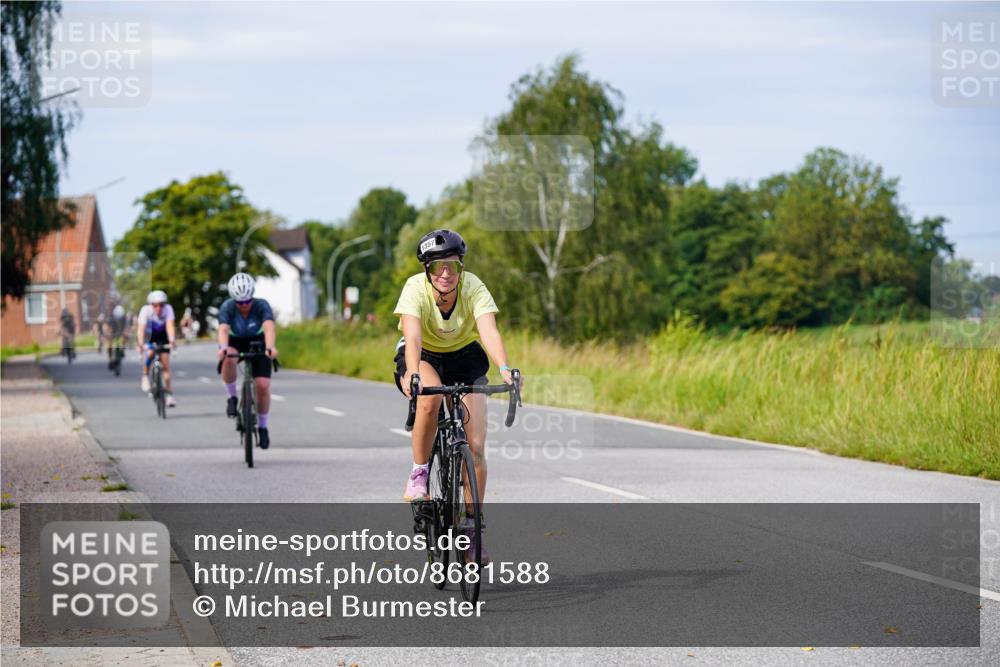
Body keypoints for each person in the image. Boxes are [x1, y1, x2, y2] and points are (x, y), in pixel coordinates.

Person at [393, 229, 520, 564]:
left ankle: (472, 528)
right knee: (430, 398)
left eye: (453, 265)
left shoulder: (473, 286)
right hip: (424, 356)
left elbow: (488, 330)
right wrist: (413, 374)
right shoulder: (414, 289)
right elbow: (413, 337)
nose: (446, 273)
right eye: (438, 267)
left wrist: (505, 368)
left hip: (464, 357)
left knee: (475, 446)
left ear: (461, 266)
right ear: (427, 270)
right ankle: (420, 472)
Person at [217, 272, 278, 449]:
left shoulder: (261, 305)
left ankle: (263, 427)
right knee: (228, 357)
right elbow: (223, 330)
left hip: (258, 341)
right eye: (240, 303)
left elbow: (269, 328)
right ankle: (232, 397)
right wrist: (222, 348)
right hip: (235, 341)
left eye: (247, 301)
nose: (244, 305)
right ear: (234, 300)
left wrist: (270, 347)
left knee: (263, 386)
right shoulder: (228, 307)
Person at [136, 290, 177, 406]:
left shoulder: (168, 309)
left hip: (162, 337)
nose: (158, 308)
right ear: (151, 305)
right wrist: (140, 344)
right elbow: (141, 329)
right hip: (149, 336)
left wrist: (172, 340)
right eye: (155, 305)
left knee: (166, 365)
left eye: (161, 305)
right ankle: (145, 376)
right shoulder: (146, 311)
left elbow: (170, 326)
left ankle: (169, 395)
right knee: (150, 353)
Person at [106, 305, 129, 371]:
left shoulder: (124, 318)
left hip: (121, 332)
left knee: (125, 337)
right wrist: (109, 333)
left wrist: (126, 332)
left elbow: (126, 327)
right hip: (113, 332)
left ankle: (122, 350)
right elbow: (108, 327)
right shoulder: (111, 318)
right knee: (110, 344)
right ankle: (110, 359)